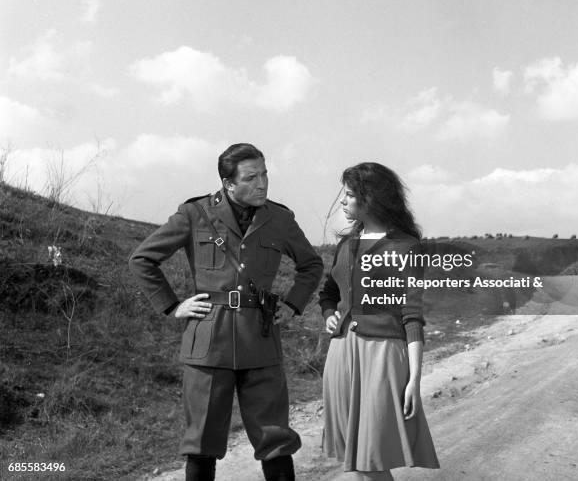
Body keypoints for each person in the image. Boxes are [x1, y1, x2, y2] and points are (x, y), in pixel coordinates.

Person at [129, 143, 323, 481]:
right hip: (208, 341)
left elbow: (311, 264)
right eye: (251, 177)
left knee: (275, 440)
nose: (262, 183)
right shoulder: (195, 214)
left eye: (264, 174)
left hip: (260, 341)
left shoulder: (279, 218)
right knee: (201, 442)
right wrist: (173, 306)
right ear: (228, 183)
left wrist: (292, 304)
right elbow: (142, 259)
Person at [319, 163, 439, 481]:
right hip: (342, 355)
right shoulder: (346, 245)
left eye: (349, 195)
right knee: (357, 460)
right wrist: (330, 315)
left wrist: (414, 378)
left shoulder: (405, 247)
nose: (343, 202)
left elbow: (412, 316)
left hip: (383, 356)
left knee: (372, 460)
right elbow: (328, 293)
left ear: (369, 198)